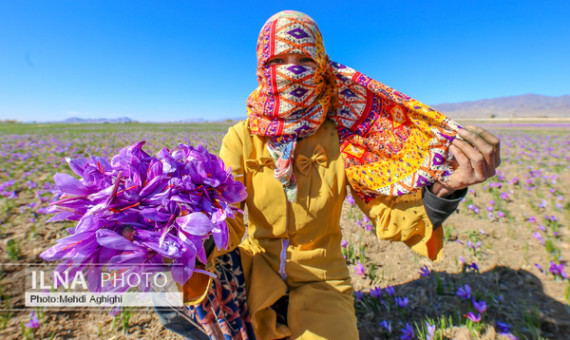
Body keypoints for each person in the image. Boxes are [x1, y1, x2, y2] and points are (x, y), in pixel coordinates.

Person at [155, 10, 500, 340]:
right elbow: (227, 221)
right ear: (262, 68)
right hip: (255, 269)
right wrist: (181, 232)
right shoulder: (242, 137)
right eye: (278, 61)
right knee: (161, 288)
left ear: (321, 66)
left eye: (303, 60)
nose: (292, 72)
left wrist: (445, 189)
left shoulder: (343, 136)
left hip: (322, 279)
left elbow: (388, 214)